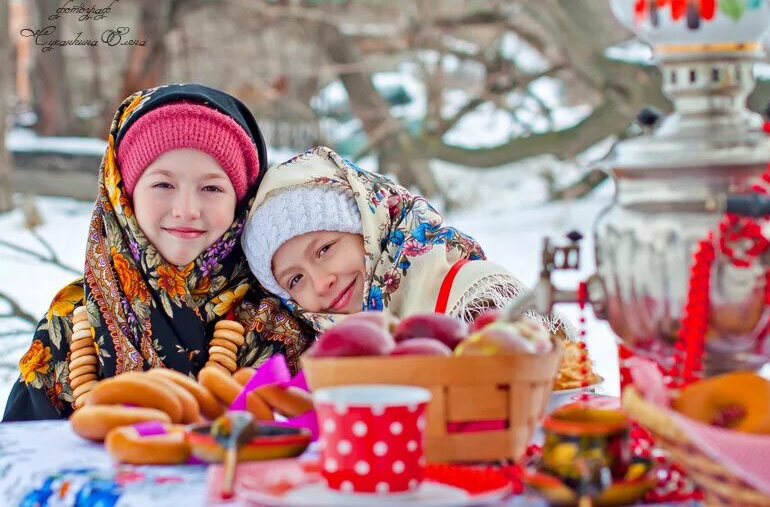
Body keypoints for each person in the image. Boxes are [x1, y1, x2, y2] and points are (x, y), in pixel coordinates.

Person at [3, 84, 313, 421]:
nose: (186, 209)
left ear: (241, 200)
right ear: (124, 193)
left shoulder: (279, 318)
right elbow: (21, 455)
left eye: (211, 188)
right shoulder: (73, 320)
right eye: (163, 184)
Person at [242, 146, 532, 331]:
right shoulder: (324, 359)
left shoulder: (476, 294)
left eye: (325, 249)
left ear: (371, 226)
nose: (321, 282)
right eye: (295, 280)